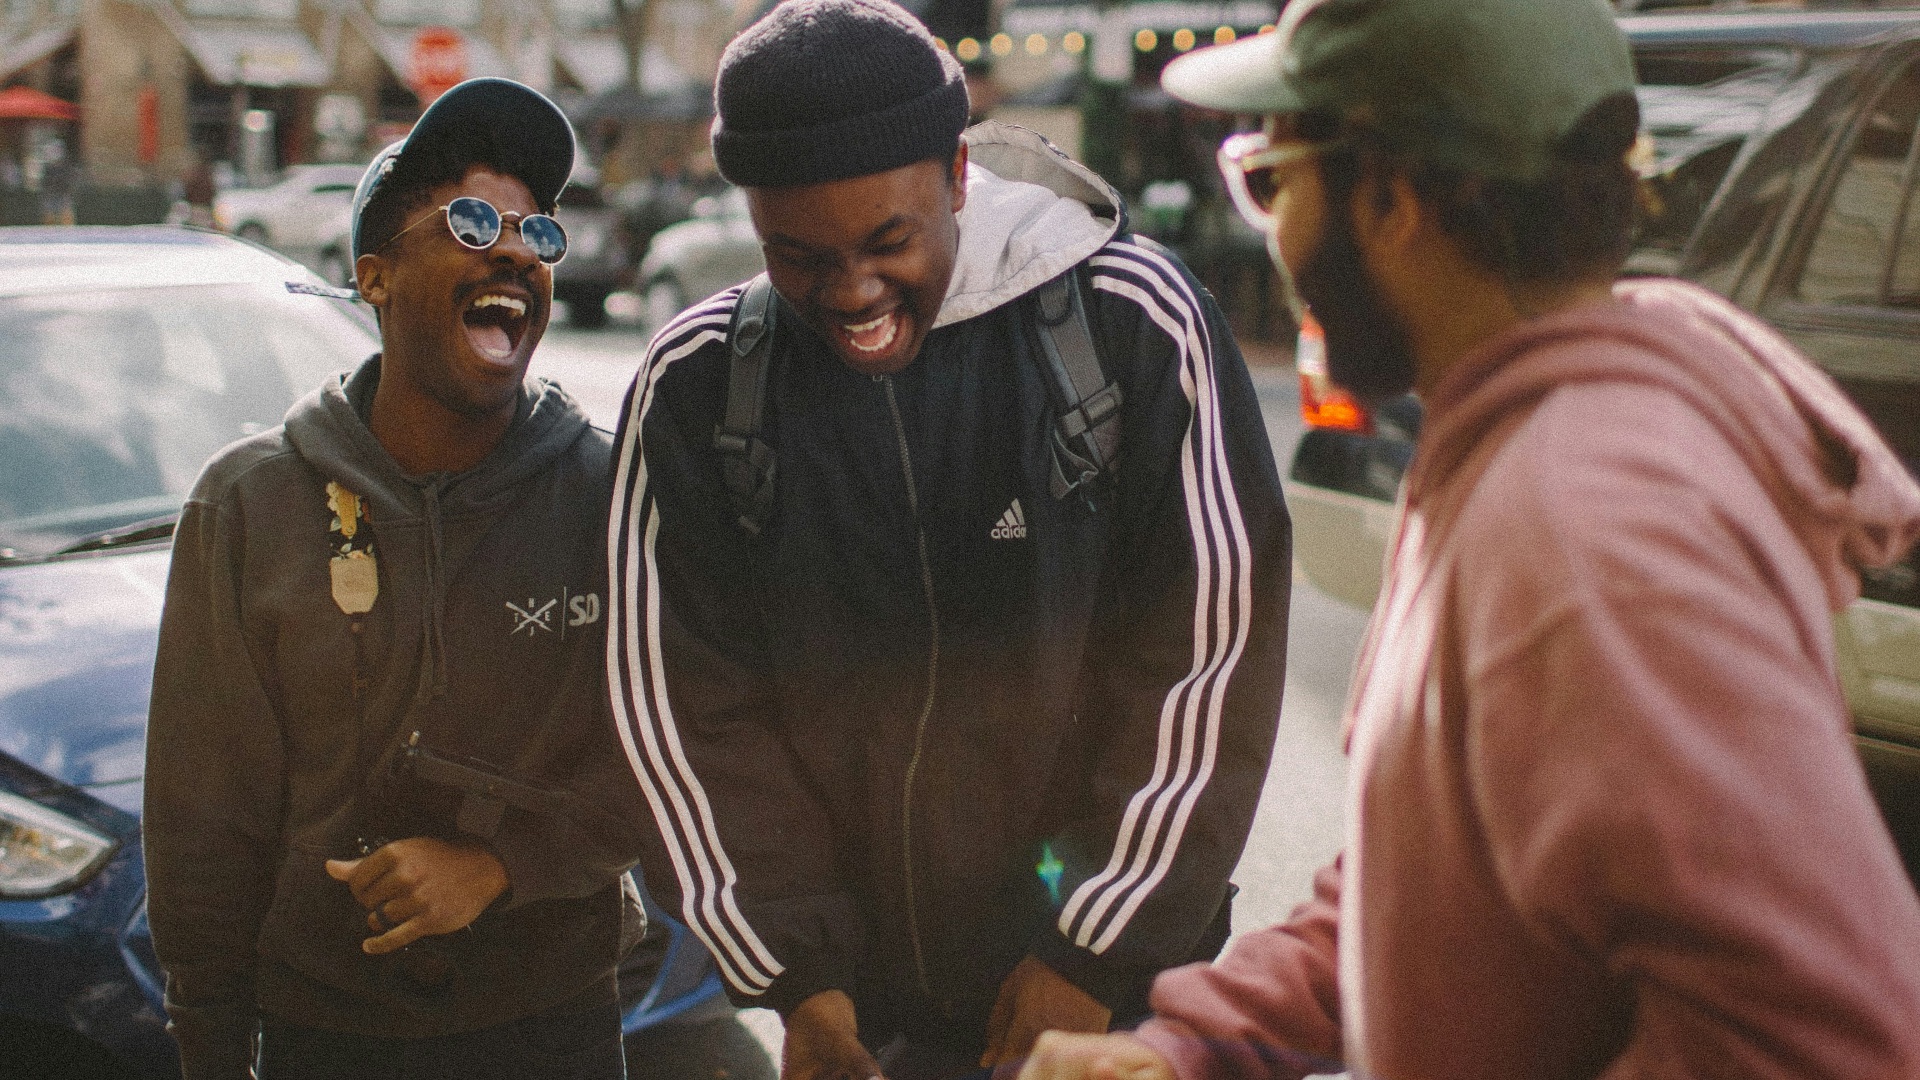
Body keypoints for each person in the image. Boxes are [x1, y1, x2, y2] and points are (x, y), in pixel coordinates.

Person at [1016, 1, 1920, 1078]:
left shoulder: (1584, 538)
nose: (1281, 239)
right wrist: (1193, 1047)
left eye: (1272, 181)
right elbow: (1440, 876)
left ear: (1393, 198)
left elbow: (1817, 1039)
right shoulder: (1520, 452)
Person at [605, 1, 1292, 1076]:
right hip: (860, 1020)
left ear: (959, 178)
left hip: (1119, 1003)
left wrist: (1091, 944)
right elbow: (682, 708)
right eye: (800, 258)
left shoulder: (1131, 322)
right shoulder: (695, 387)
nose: (854, 295)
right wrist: (799, 979)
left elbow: (1208, 658)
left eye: (888, 243)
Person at [144, 78, 648, 1080]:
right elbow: (205, 817)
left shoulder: (610, 490)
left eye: (536, 233)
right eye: (468, 222)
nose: (511, 249)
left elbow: (676, 753)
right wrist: (208, 1037)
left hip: (554, 1023)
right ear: (374, 277)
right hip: (324, 1037)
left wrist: (503, 867)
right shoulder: (248, 505)